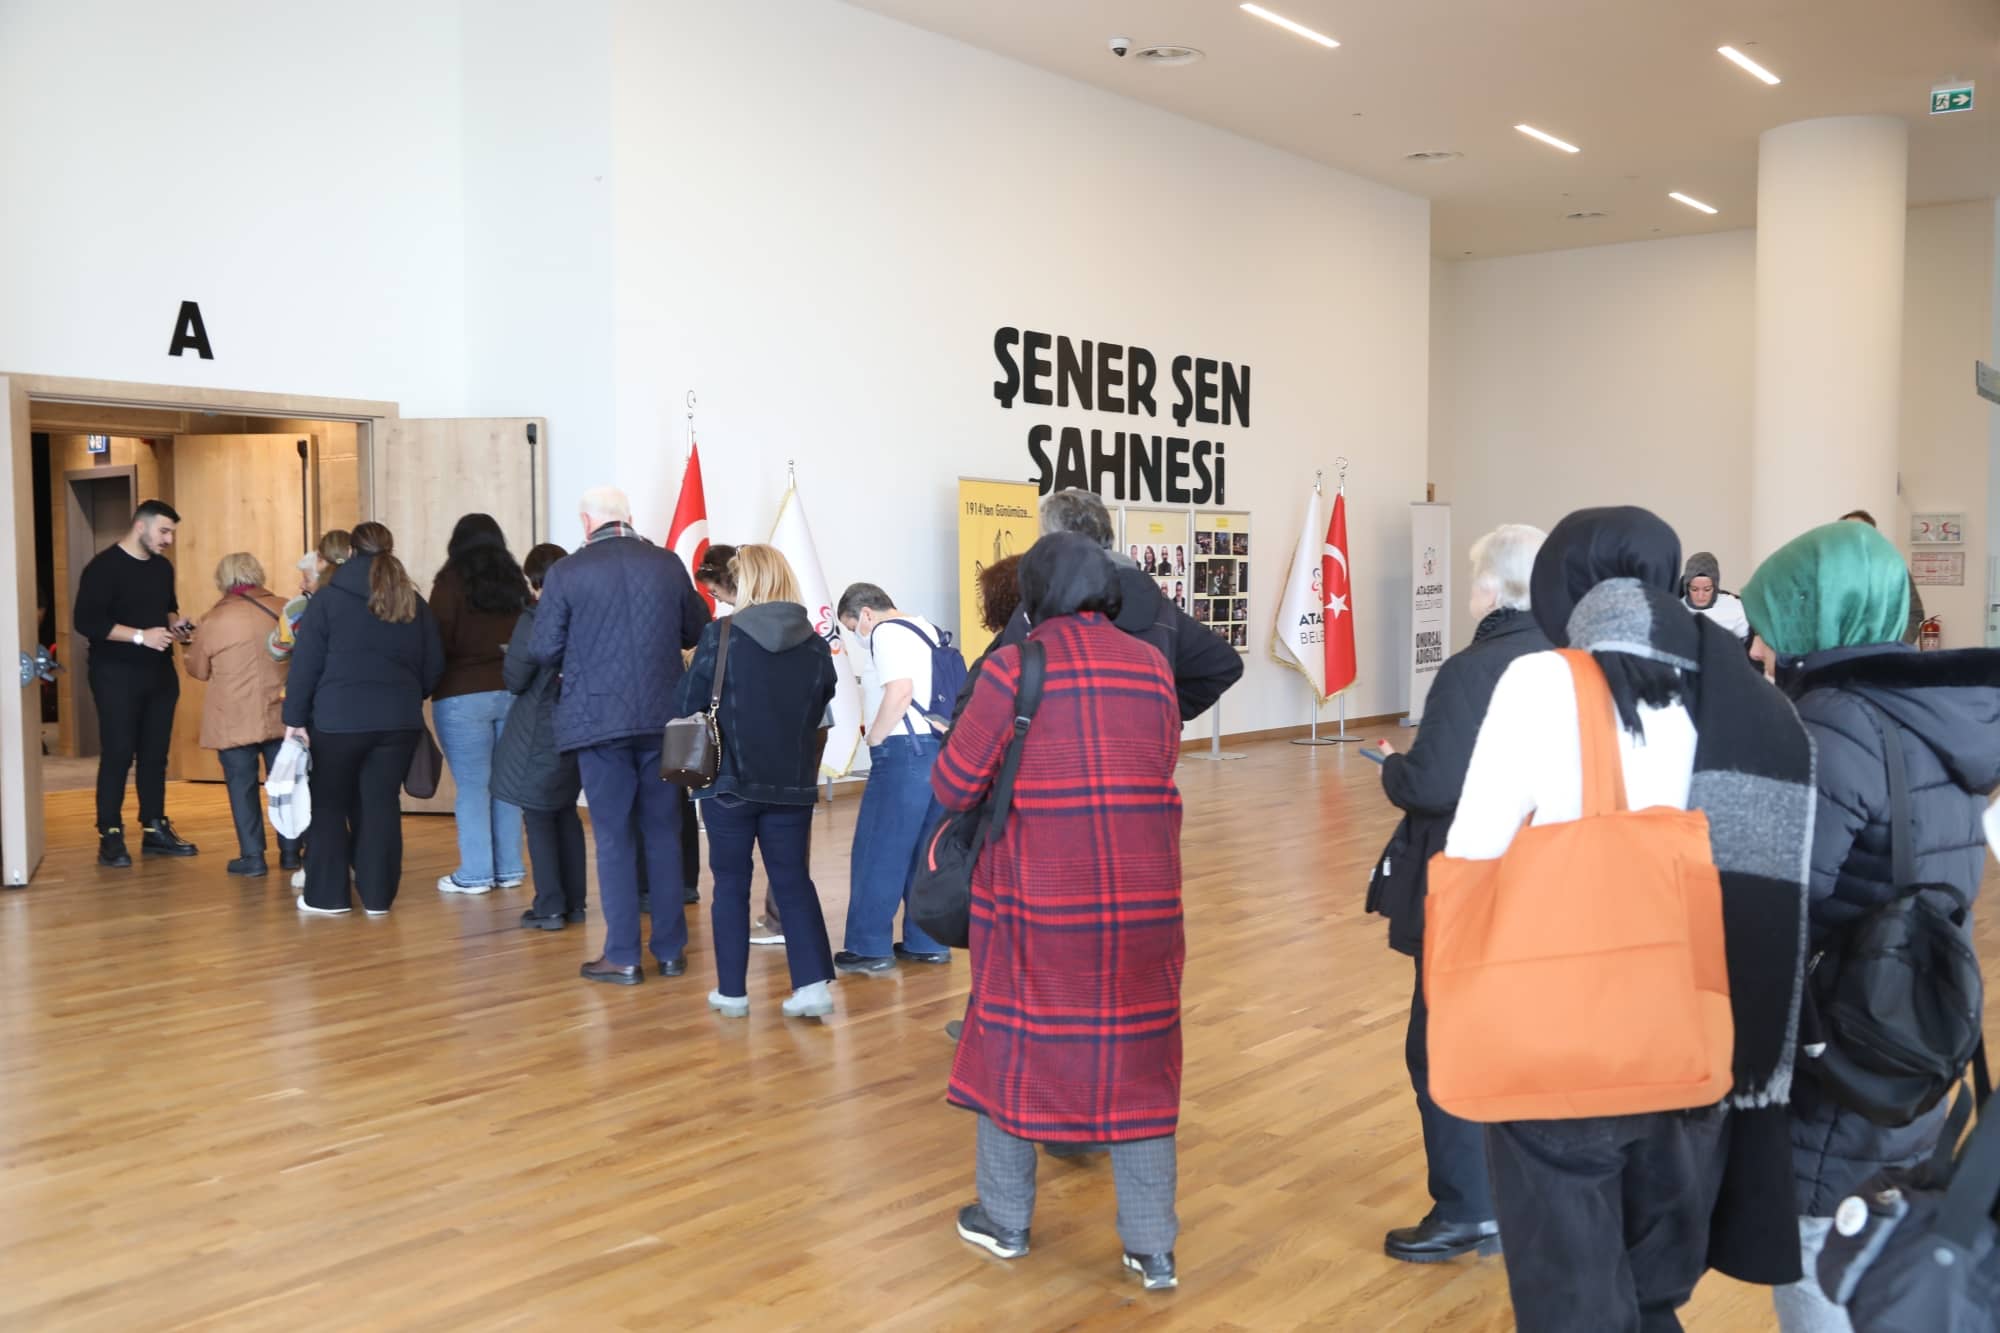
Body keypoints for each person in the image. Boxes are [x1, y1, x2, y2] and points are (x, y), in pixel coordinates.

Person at [1445, 507, 1818, 1330]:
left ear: (1563, 586)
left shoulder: (1544, 681)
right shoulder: (1742, 690)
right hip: (1698, 1045)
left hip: (1562, 1053)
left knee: (1573, 1302)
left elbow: (1472, 851)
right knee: (1653, 1297)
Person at [1739, 522, 2000, 1332]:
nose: (1758, 646)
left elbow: (1780, 906)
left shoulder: (1830, 726)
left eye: (1771, 623)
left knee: (1824, 1249)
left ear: (1816, 615)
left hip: (1840, 1053)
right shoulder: (1935, 716)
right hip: (1912, 1035)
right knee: (1879, 1239)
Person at [939, 532, 1187, 1291]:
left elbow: (954, 785)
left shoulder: (1015, 667)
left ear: (1035, 594)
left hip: (1037, 899)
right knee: (1141, 1064)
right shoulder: (1151, 665)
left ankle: (1005, 1220)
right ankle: (1152, 1249)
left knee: (1011, 1049)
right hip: (1145, 898)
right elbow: (1162, 761)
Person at [1367, 524, 1548, 1264]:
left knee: (1440, 1043)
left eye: (1476, 579)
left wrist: (1391, 767)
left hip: (1474, 880)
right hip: (1548, 876)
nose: (1470, 591)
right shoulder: (1572, 659)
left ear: (1495, 588)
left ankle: (1469, 1207)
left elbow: (1433, 783)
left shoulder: (1474, 670)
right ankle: (1519, 1194)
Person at [528, 486, 710, 985]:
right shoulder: (667, 564)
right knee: (664, 832)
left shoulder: (567, 571)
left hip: (598, 721)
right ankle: (671, 951)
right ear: (628, 517)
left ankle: (623, 955)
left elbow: (543, 648)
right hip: (665, 718)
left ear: (587, 523)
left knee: (612, 837)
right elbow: (697, 629)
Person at [677, 545, 840, 1019]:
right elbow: (821, 704)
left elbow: (686, 702)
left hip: (729, 781)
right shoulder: (815, 645)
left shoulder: (721, 635)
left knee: (730, 883)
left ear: (746, 581)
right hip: (792, 784)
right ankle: (812, 986)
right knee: (793, 880)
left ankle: (732, 993)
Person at [960, 489, 1242, 723]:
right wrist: (1157, 714)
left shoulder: (1051, 599)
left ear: (1059, 540)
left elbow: (992, 679)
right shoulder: (1158, 604)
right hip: (1138, 760)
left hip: (1062, 754)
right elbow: (1221, 664)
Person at [284, 522, 444, 916]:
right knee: (381, 804)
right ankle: (377, 898)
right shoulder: (411, 601)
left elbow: (305, 666)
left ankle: (327, 898)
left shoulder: (327, 599)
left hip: (336, 721)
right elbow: (434, 665)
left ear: (352, 552)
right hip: (398, 722)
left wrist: (295, 718)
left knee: (328, 805)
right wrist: (410, 695)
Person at [834, 582, 956, 973]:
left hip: (902, 753)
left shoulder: (885, 632)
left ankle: (869, 947)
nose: (856, 636)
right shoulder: (928, 629)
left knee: (878, 850)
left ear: (866, 614)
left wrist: (875, 736)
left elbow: (900, 692)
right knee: (924, 852)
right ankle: (927, 942)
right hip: (938, 751)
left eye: (852, 627)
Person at [72, 498, 198, 867]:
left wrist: (176, 625)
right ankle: (110, 833)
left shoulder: (161, 568)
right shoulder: (103, 568)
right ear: (140, 526)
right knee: (118, 752)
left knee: (155, 754)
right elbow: (87, 622)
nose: (169, 539)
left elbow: (167, 607)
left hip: (159, 673)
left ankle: (154, 828)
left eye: (171, 532)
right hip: (115, 674)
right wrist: (141, 636)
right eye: (164, 531)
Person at [429, 514, 530, 895]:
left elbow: (438, 639)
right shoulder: (515, 581)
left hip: (462, 693)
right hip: (512, 690)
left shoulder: (449, 582)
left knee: (473, 787)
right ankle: (510, 868)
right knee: (507, 784)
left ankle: (475, 873)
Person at [183, 553, 300, 878]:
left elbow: (198, 670)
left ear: (222, 579)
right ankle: (292, 853)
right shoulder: (284, 608)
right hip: (281, 712)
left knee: (242, 787)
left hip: (233, 719)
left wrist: (186, 647)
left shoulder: (214, 620)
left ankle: (253, 857)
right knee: (286, 785)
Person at [495, 543, 586, 930]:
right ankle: (575, 904)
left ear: (534, 581)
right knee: (565, 811)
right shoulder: (587, 615)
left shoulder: (535, 619)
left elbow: (516, 679)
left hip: (540, 726)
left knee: (538, 815)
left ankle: (549, 906)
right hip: (579, 723)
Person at [1840, 510, 1925, 645]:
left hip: (1884, 652)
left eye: (1859, 530)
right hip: (1838, 653)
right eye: (1846, 531)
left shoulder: (1893, 568)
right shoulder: (1828, 571)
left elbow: (1913, 613)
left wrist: (1897, 645)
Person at [270, 529, 351, 663]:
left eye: (307, 580)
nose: (301, 585)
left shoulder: (304, 607)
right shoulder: (370, 597)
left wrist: (288, 616)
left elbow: (277, 651)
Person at [1679, 552, 1749, 639]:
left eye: (1707, 589)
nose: (1700, 596)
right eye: (1694, 589)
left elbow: (1749, 642)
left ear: (1715, 587)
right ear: (1686, 587)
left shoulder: (1734, 607)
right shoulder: (1676, 610)